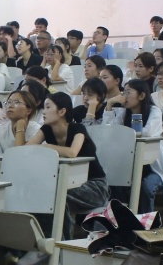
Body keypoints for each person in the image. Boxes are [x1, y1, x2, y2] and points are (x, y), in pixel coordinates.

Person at [35, 93, 110, 234]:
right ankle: (51, 240)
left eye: (48, 107)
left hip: (95, 186)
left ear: (62, 111)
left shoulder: (78, 129)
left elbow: (72, 152)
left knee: (57, 194)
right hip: (68, 184)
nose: (43, 112)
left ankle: (61, 243)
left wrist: (47, 147)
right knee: (46, 193)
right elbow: (28, 149)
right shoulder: (46, 129)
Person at [123, 80, 163, 213]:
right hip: (132, 167)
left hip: (155, 169)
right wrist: (110, 106)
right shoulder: (124, 113)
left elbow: (147, 133)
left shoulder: (154, 111)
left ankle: (147, 222)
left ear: (141, 96)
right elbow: (112, 130)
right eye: (123, 92)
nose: (124, 96)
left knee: (146, 187)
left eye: (128, 92)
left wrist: (125, 133)